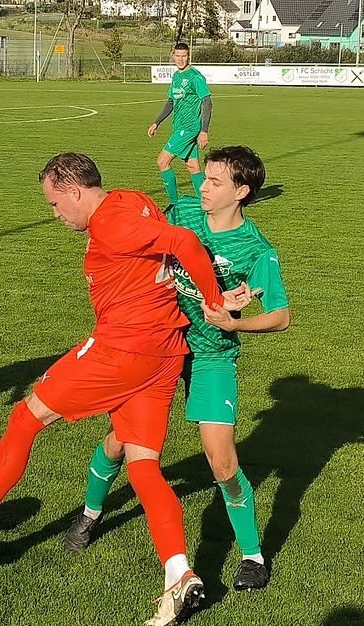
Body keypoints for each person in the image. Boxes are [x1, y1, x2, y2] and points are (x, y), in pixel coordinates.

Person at [0, 152, 253, 626]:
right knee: (144, 466)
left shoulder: (109, 223)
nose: (55, 213)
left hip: (120, 350)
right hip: (163, 355)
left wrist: (213, 301)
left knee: (25, 417)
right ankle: (178, 573)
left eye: (54, 202)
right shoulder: (132, 200)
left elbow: (184, 239)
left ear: (74, 191)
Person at [64, 146, 290, 592]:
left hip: (212, 354)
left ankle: (251, 555)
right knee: (121, 442)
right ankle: (90, 513)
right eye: (204, 178)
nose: (201, 187)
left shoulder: (256, 250)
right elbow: (141, 242)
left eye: (215, 182)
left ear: (242, 192)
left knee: (221, 460)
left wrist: (236, 320)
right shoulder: (181, 212)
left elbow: (281, 316)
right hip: (160, 345)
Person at [148, 42, 212, 205]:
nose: (181, 59)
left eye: (184, 56)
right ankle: (205, 202)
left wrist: (204, 131)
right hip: (179, 126)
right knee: (193, 167)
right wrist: (157, 122)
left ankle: (173, 203)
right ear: (173, 56)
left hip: (189, 128)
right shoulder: (176, 76)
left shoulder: (195, 76)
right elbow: (171, 101)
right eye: (178, 56)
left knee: (162, 161)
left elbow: (207, 102)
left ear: (188, 56)